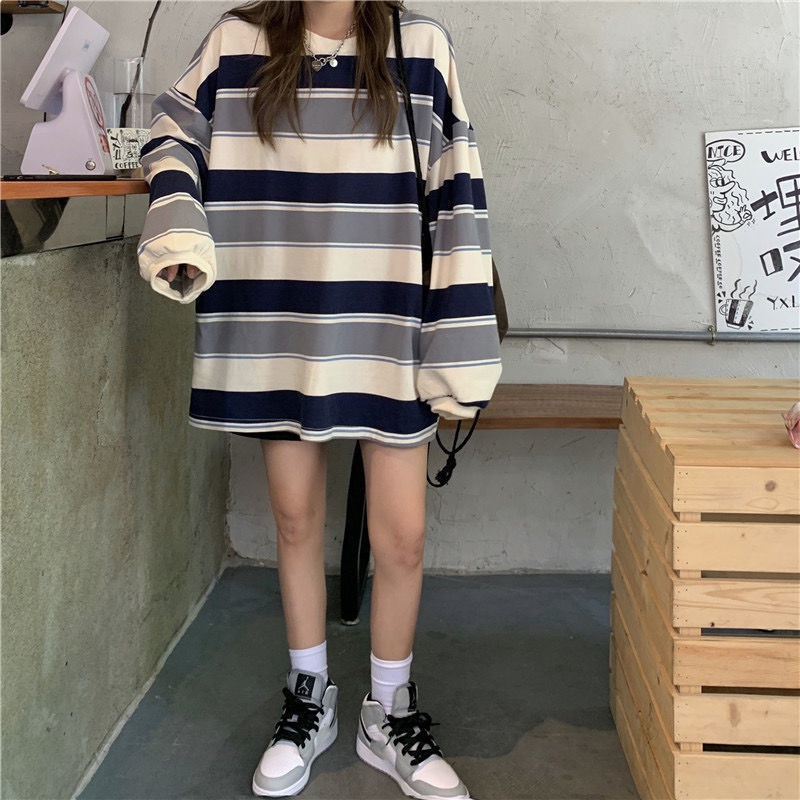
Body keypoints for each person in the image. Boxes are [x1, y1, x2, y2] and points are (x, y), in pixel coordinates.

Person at [137, 1, 501, 797]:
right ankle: (310, 699)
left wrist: (458, 347)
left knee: (402, 540)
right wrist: (178, 217)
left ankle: (389, 711)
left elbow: (456, 196)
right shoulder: (237, 41)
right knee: (296, 522)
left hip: (390, 320)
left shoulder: (420, 46)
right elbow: (170, 130)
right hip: (280, 319)